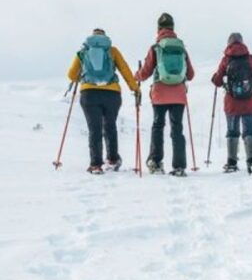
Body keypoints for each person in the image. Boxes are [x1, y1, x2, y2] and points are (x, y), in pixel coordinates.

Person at [67, 28, 141, 174]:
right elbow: (125, 69)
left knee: (94, 129)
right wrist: (135, 88)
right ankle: (113, 159)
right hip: (111, 93)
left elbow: (71, 74)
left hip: (89, 92)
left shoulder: (83, 52)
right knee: (110, 125)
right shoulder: (112, 50)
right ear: (105, 38)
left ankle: (95, 165)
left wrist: (81, 77)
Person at [135, 13, 195, 176]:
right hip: (178, 95)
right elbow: (190, 74)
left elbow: (146, 72)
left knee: (158, 126)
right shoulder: (181, 47)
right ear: (173, 28)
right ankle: (179, 166)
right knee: (177, 129)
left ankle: (155, 162)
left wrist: (137, 76)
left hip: (160, 93)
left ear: (158, 29)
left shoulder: (156, 47)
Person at [211, 33, 252, 173]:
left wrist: (216, 77)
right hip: (250, 103)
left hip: (232, 104)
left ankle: (231, 162)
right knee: (249, 131)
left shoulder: (226, 60)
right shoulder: (251, 59)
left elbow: (217, 82)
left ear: (229, 44)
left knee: (232, 131)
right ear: (242, 43)